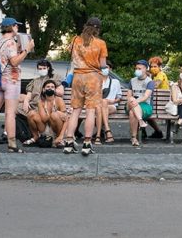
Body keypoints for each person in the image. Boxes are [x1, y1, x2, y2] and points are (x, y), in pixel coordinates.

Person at [0, 17, 33, 153]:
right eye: (16, 26)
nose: (18, 28)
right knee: (10, 113)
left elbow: (5, 57)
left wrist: (20, 48)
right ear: (12, 26)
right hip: (11, 80)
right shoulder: (10, 42)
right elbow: (14, 62)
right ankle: (12, 145)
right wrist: (27, 50)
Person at [62, 16, 109, 156]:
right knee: (90, 111)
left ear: (85, 26)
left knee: (75, 110)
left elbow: (72, 58)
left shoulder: (75, 40)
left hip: (77, 77)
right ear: (98, 30)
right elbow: (102, 65)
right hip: (93, 78)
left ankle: (69, 142)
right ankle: (87, 144)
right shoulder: (100, 43)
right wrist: (105, 70)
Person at [29, 79, 68, 146]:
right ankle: (36, 137)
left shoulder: (59, 100)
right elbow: (44, 119)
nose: (50, 88)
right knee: (31, 113)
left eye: (52, 87)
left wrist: (61, 135)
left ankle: (59, 138)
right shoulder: (41, 102)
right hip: (46, 127)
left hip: (58, 127)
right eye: (48, 87)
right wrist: (50, 112)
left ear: (55, 90)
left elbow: (66, 119)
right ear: (43, 89)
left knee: (55, 115)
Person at [127, 59, 154, 147]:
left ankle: (134, 138)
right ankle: (140, 121)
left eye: (140, 68)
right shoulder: (132, 80)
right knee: (131, 101)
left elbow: (146, 97)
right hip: (130, 104)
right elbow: (129, 95)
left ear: (146, 69)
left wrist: (136, 101)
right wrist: (133, 100)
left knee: (132, 113)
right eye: (136, 68)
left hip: (145, 105)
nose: (137, 70)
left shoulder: (149, 82)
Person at [96, 59, 121, 144]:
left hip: (112, 106)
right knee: (101, 105)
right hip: (98, 106)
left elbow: (119, 97)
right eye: (102, 67)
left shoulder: (115, 82)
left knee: (103, 104)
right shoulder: (96, 81)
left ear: (110, 69)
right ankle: (107, 131)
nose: (104, 69)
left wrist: (112, 101)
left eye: (106, 67)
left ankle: (99, 135)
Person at [145, 56, 169, 139]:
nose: (153, 68)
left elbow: (155, 85)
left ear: (160, 67)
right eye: (151, 66)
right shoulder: (154, 76)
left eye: (155, 66)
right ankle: (157, 132)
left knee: (143, 111)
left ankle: (152, 132)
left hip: (161, 104)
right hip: (157, 103)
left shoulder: (160, 74)